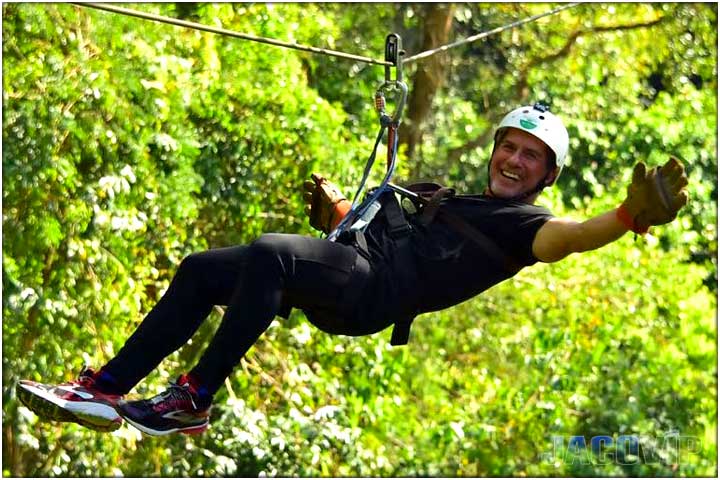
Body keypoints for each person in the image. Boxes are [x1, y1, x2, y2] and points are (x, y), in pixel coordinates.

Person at [16, 103, 689, 436]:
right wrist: (339, 210)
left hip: (372, 297)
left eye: (529, 156)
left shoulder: (523, 229)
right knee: (201, 270)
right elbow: (385, 235)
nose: (513, 160)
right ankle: (104, 389)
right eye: (508, 147)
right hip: (355, 266)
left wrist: (628, 215)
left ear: (547, 174)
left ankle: (193, 398)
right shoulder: (456, 200)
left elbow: (572, 238)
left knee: (270, 253)